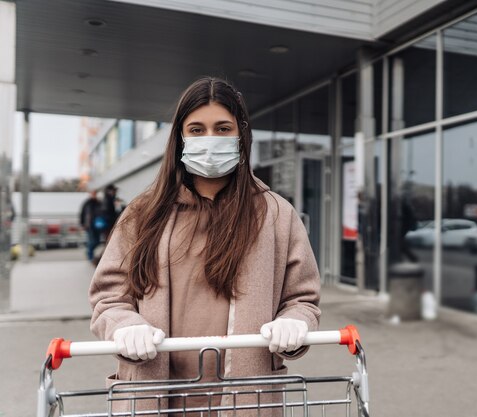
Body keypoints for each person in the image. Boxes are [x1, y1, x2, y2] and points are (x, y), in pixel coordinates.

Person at [88, 77, 321, 416]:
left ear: (241, 134)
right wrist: (124, 325)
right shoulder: (143, 213)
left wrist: (295, 322)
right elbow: (108, 297)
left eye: (222, 128)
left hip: (246, 399)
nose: (209, 140)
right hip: (156, 398)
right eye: (196, 130)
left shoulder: (274, 214)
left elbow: (302, 299)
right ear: (179, 138)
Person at [79, 190, 102, 261]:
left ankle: (89, 251)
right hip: (89, 225)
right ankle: (90, 256)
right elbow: (82, 214)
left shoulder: (98, 202)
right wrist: (82, 224)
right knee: (92, 241)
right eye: (92, 194)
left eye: (95, 194)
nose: (94, 195)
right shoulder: (87, 203)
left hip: (98, 225)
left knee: (97, 241)